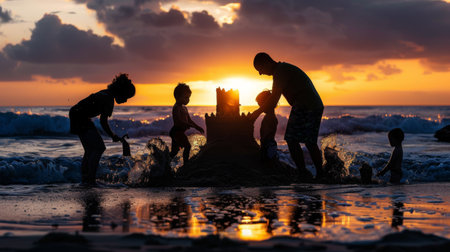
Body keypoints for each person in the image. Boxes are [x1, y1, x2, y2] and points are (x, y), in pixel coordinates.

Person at [252, 52, 324, 180]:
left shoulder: (280, 72)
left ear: (266, 63)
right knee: (307, 141)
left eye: (260, 69)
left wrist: (255, 114)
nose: (260, 73)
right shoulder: (281, 70)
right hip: (309, 104)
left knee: (294, 140)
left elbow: (274, 99)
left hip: (307, 105)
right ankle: (316, 173)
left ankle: (306, 173)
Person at [69, 73, 135, 186]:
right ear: (121, 92)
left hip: (76, 114)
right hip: (80, 117)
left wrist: (112, 135)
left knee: (90, 150)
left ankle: (86, 179)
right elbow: (103, 121)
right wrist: (112, 135)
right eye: (126, 97)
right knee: (99, 148)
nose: (125, 101)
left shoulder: (106, 93)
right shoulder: (108, 99)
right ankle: (90, 180)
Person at [169, 83, 204, 164]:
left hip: (180, 132)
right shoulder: (176, 107)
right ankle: (186, 164)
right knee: (187, 146)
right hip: (176, 132)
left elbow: (189, 120)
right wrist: (188, 125)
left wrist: (197, 127)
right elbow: (178, 121)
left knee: (175, 151)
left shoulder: (184, 108)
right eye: (186, 97)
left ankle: (164, 163)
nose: (188, 100)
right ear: (178, 96)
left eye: (189, 97)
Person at [254, 90, 279, 161]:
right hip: (270, 146)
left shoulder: (270, 118)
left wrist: (263, 149)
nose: (260, 107)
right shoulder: (270, 117)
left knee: (268, 163)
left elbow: (266, 136)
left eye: (261, 105)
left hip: (269, 147)